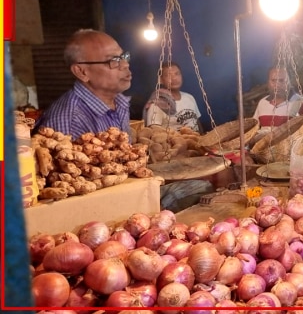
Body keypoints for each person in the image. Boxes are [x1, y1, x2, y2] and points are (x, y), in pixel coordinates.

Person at [37, 29, 213, 213]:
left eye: (124, 56)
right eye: (113, 60)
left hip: (128, 190)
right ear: (82, 71)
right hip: (99, 209)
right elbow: (66, 197)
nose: (125, 65)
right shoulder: (68, 119)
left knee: (202, 187)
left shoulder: (119, 102)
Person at [143, 62, 203, 134]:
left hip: (196, 142)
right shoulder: (157, 104)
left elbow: (197, 122)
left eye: (177, 74)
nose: (174, 78)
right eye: (168, 75)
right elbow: (154, 132)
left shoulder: (189, 98)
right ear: (161, 80)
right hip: (176, 144)